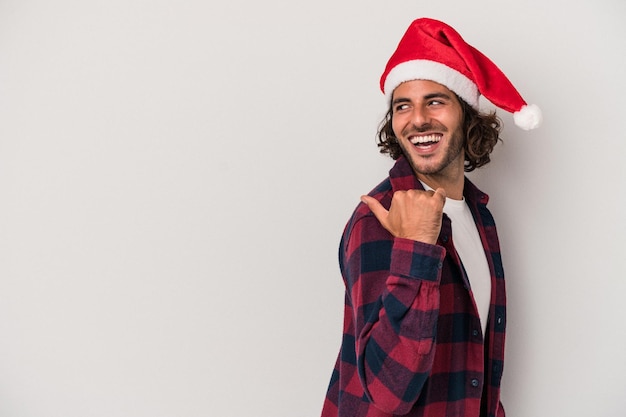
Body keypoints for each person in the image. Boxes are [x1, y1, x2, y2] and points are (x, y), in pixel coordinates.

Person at [321, 18, 541, 417]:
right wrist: (417, 246)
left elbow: (475, 365)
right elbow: (388, 393)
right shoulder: (379, 219)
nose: (418, 119)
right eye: (402, 105)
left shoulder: (479, 216)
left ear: (467, 115)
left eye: (435, 101)